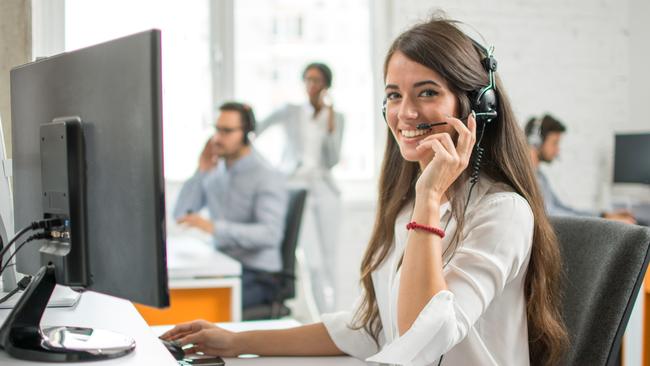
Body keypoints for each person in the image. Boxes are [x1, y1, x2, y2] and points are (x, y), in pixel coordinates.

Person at [162, 16, 568, 366]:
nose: (405, 113)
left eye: (427, 92)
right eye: (394, 95)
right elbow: (371, 328)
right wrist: (237, 341)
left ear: (478, 106)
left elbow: (418, 342)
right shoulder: (407, 203)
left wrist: (428, 199)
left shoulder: (503, 211)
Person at [173, 102, 289, 310]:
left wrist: (215, 228)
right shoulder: (215, 171)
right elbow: (181, 214)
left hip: (258, 275)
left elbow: (270, 234)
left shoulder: (267, 175)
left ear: (246, 134)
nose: (217, 138)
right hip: (222, 266)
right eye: (216, 129)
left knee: (197, 307)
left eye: (227, 131)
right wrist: (200, 171)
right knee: (177, 295)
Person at [256, 62, 345, 313]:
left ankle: (334, 317)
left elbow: (333, 159)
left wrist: (329, 127)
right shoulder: (290, 111)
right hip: (296, 187)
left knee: (330, 260)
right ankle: (320, 319)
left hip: (325, 188)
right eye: (307, 79)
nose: (311, 85)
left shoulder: (336, 117)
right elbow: (255, 130)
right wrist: (274, 170)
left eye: (316, 80)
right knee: (311, 261)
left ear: (326, 85)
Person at [525, 114, 636, 224]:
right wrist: (606, 222)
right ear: (536, 141)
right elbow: (552, 216)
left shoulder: (540, 177)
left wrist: (604, 215)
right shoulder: (527, 178)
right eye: (555, 143)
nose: (557, 151)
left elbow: (564, 209)